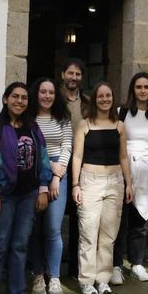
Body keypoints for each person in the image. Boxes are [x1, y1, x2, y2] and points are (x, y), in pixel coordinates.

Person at [0, 82, 53, 294]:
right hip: (5, 195)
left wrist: (43, 187)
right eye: (15, 96)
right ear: (6, 98)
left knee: (19, 245)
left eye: (24, 98)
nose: (19, 101)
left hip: (28, 196)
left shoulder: (33, 127)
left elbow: (44, 158)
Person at [72, 83, 133, 294]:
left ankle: (103, 279)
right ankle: (87, 281)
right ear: (94, 99)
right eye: (100, 96)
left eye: (108, 95)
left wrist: (129, 183)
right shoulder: (85, 125)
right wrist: (75, 184)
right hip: (90, 181)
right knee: (88, 233)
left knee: (108, 235)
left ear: (113, 98)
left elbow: (124, 157)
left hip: (115, 180)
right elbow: (77, 156)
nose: (105, 99)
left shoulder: (120, 126)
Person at [114, 73, 148, 283]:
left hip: (147, 170)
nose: (143, 91)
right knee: (120, 221)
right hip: (125, 168)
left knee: (140, 220)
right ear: (132, 90)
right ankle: (116, 264)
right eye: (138, 87)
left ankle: (137, 263)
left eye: (147, 87)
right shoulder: (122, 112)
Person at [28, 77, 72, 294]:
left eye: (51, 92)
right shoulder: (29, 118)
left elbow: (67, 146)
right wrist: (48, 167)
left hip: (58, 175)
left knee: (53, 227)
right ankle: (38, 275)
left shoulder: (63, 118)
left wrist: (56, 175)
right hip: (34, 172)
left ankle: (54, 277)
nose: (47, 96)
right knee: (35, 228)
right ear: (36, 94)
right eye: (43, 92)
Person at [60, 58, 87, 279]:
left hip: (81, 163)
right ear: (63, 75)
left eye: (77, 74)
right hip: (59, 162)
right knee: (56, 217)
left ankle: (74, 267)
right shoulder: (53, 99)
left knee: (79, 216)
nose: (73, 78)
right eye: (70, 73)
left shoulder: (87, 102)